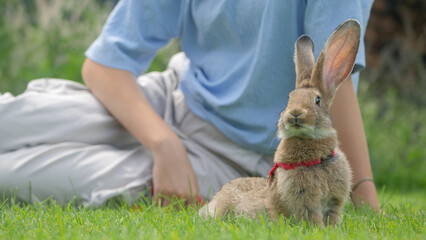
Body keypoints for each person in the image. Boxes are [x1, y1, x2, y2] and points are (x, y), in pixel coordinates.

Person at [0, 0, 379, 210]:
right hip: (168, 100)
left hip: (237, 154)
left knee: (20, 176)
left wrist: (360, 190)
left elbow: (331, 88)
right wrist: (163, 142)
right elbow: (104, 65)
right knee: (19, 118)